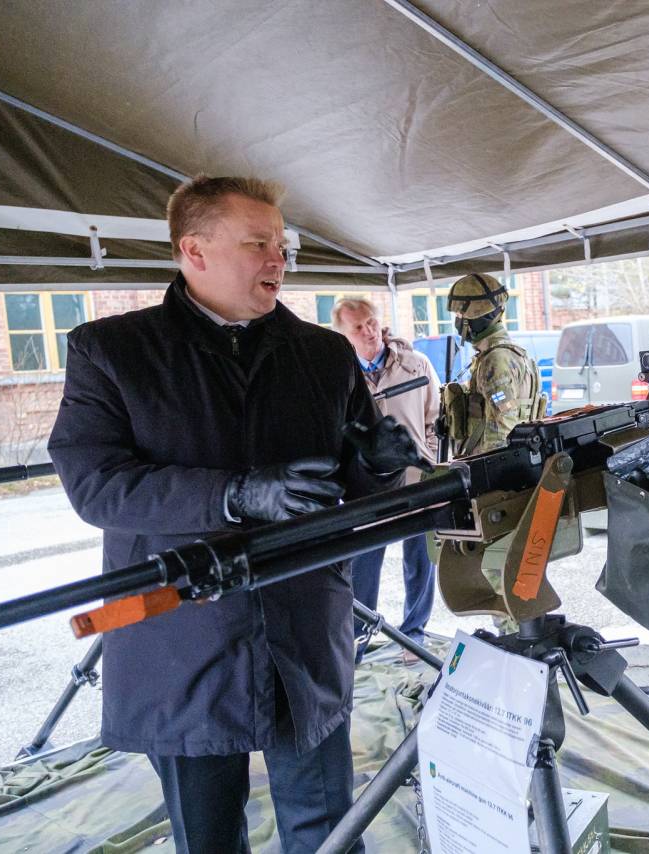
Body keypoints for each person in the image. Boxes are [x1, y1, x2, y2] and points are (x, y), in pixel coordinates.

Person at [48, 175, 415, 853]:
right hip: (182, 639)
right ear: (194, 250)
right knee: (208, 835)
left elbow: (354, 488)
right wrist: (233, 495)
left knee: (329, 829)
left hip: (302, 627)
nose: (279, 259)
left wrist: (384, 465)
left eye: (282, 245)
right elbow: (97, 486)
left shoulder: (323, 355)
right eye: (258, 244)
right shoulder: (112, 352)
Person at [332, 297, 440, 657]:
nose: (369, 331)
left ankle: (415, 634)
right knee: (363, 566)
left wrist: (429, 461)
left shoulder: (416, 365)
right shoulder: (341, 377)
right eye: (358, 327)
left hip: (417, 481)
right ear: (344, 336)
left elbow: (434, 419)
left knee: (420, 560)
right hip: (369, 490)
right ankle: (357, 641)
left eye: (372, 322)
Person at [443, 273, 544, 622]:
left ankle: (515, 634)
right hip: (509, 475)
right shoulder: (506, 355)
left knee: (498, 566)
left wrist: (485, 481)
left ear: (478, 315)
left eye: (462, 315)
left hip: (497, 479)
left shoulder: (496, 360)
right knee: (506, 563)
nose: (459, 322)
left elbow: (503, 428)